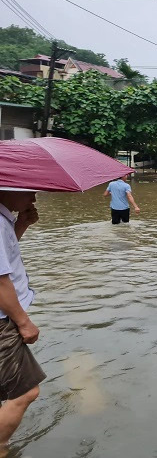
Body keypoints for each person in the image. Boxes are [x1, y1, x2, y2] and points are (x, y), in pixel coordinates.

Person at [0, 190, 46, 448]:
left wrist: (21, 225)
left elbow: (4, 256)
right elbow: (0, 280)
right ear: (8, 188)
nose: (34, 199)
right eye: (29, 192)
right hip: (2, 320)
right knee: (26, 391)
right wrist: (23, 321)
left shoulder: (3, 220)